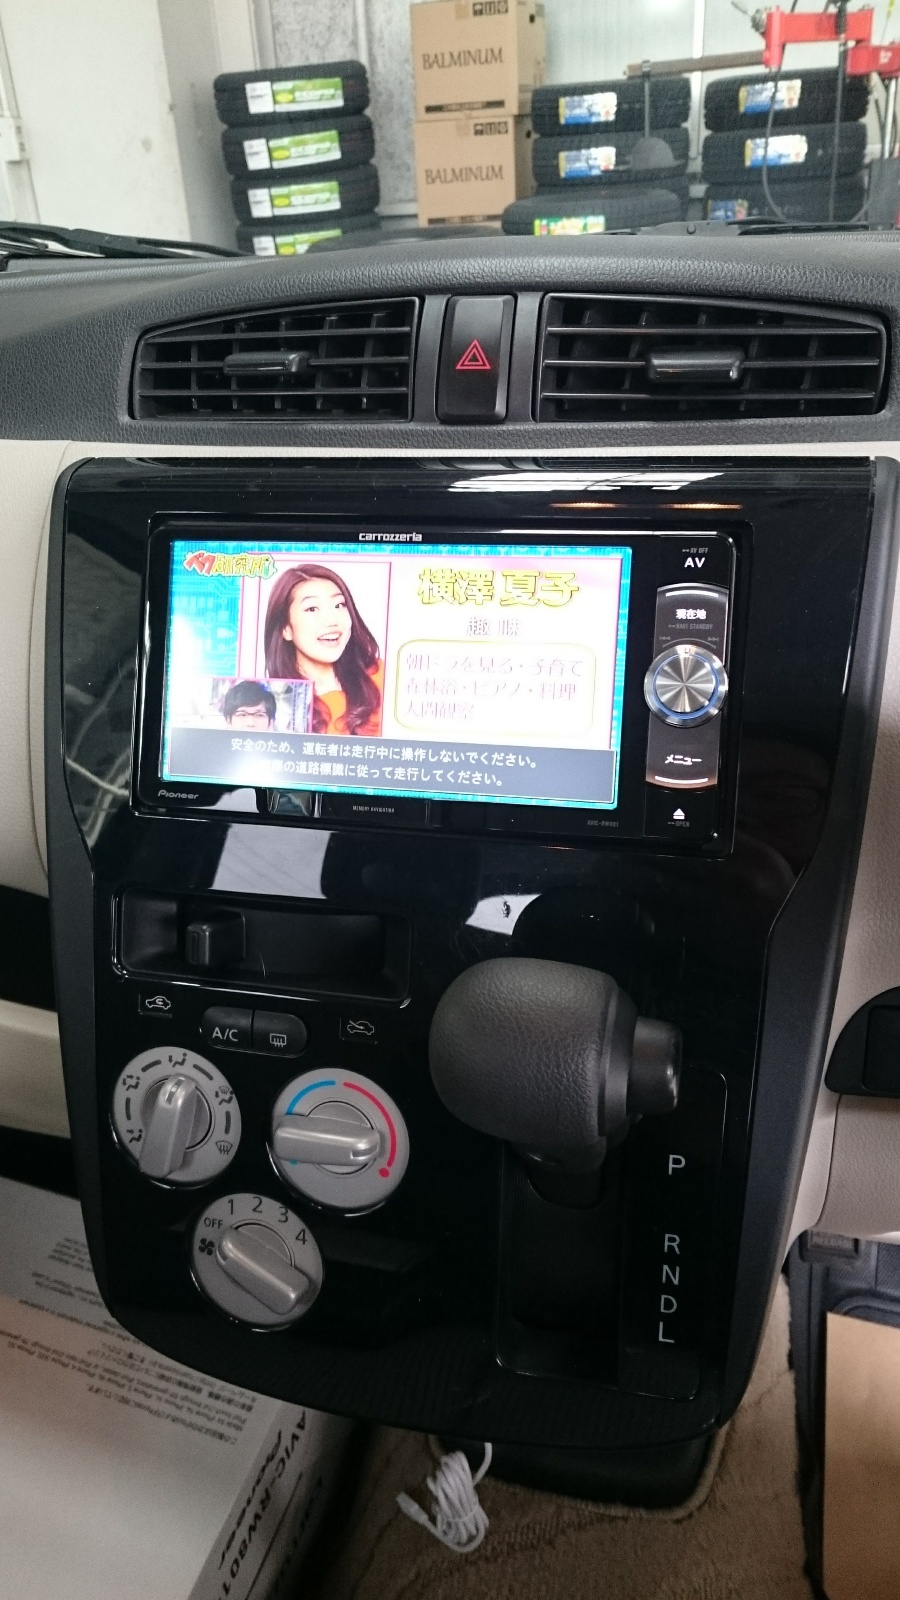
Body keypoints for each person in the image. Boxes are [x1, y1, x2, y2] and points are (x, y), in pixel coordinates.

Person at [263, 564, 383, 735]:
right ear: (286, 628)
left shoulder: (382, 676)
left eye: (339, 605)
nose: (332, 620)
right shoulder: (275, 709)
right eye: (312, 609)